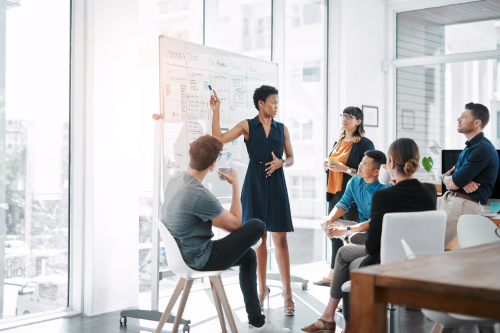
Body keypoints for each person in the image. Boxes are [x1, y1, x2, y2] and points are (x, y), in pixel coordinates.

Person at [302, 138, 437, 333]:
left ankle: (340, 324)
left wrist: (350, 233)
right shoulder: (430, 191)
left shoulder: (384, 196)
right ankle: (330, 319)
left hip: (388, 264)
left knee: (348, 263)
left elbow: (373, 246)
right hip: (421, 265)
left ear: (389, 164)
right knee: (346, 254)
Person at [161, 135, 291, 333]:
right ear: (213, 164)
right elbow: (236, 224)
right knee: (257, 224)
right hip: (199, 258)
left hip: (181, 253)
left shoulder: (176, 179)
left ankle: (258, 323)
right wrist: (235, 185)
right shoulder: (198, 193)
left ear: (191, 155)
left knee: (248, 257)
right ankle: (258, 322)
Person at [210, 85, 296, 316]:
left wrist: (282, 163)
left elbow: (291, 158)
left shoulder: (282, 129)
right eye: (273, 102)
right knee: (260, 238)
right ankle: (262, 289)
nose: (276, 106)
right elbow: (218, 139)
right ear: (261, 103)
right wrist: (215, 111)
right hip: (255, 184)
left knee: (281, 239)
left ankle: (287, 295)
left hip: (276, 184)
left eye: (278, 102)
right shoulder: (246, 126)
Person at [314, 106, 375, 287]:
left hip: (353, 197)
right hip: (335, 193)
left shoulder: (365, 144)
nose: (345, 119)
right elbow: (334, 165)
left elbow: (369, 172)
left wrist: (345, 169)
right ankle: (333, 276)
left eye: (350, 116)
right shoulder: (337, 141)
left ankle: (351, 279)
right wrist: (327, 165)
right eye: (344, 115)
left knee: (351, 237)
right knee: (333, 233)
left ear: (358, 121)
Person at [439, 102, 499, 246]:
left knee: (432, 245)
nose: (458, 119)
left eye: (464, 116)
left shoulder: (482, 149)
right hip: (450, 199)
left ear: (477, 122)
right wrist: (448, 178)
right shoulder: (470, 147)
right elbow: (451, 178)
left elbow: (453, 181)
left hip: (462, 204)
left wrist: (451, 180)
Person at [321, 150, 390, 259]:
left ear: (376, 172)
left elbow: (375, 221)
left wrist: (345, 230)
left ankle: (353, 235)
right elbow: (343, 204)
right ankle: (354, 235)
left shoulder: (385, 189)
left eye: (365, 164)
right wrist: (329, 220)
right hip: (360, 227)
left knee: (368, 230)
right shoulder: (355, 181)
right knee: (325, 221)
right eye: (362, 161)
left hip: (377, 228)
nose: (360, 165)